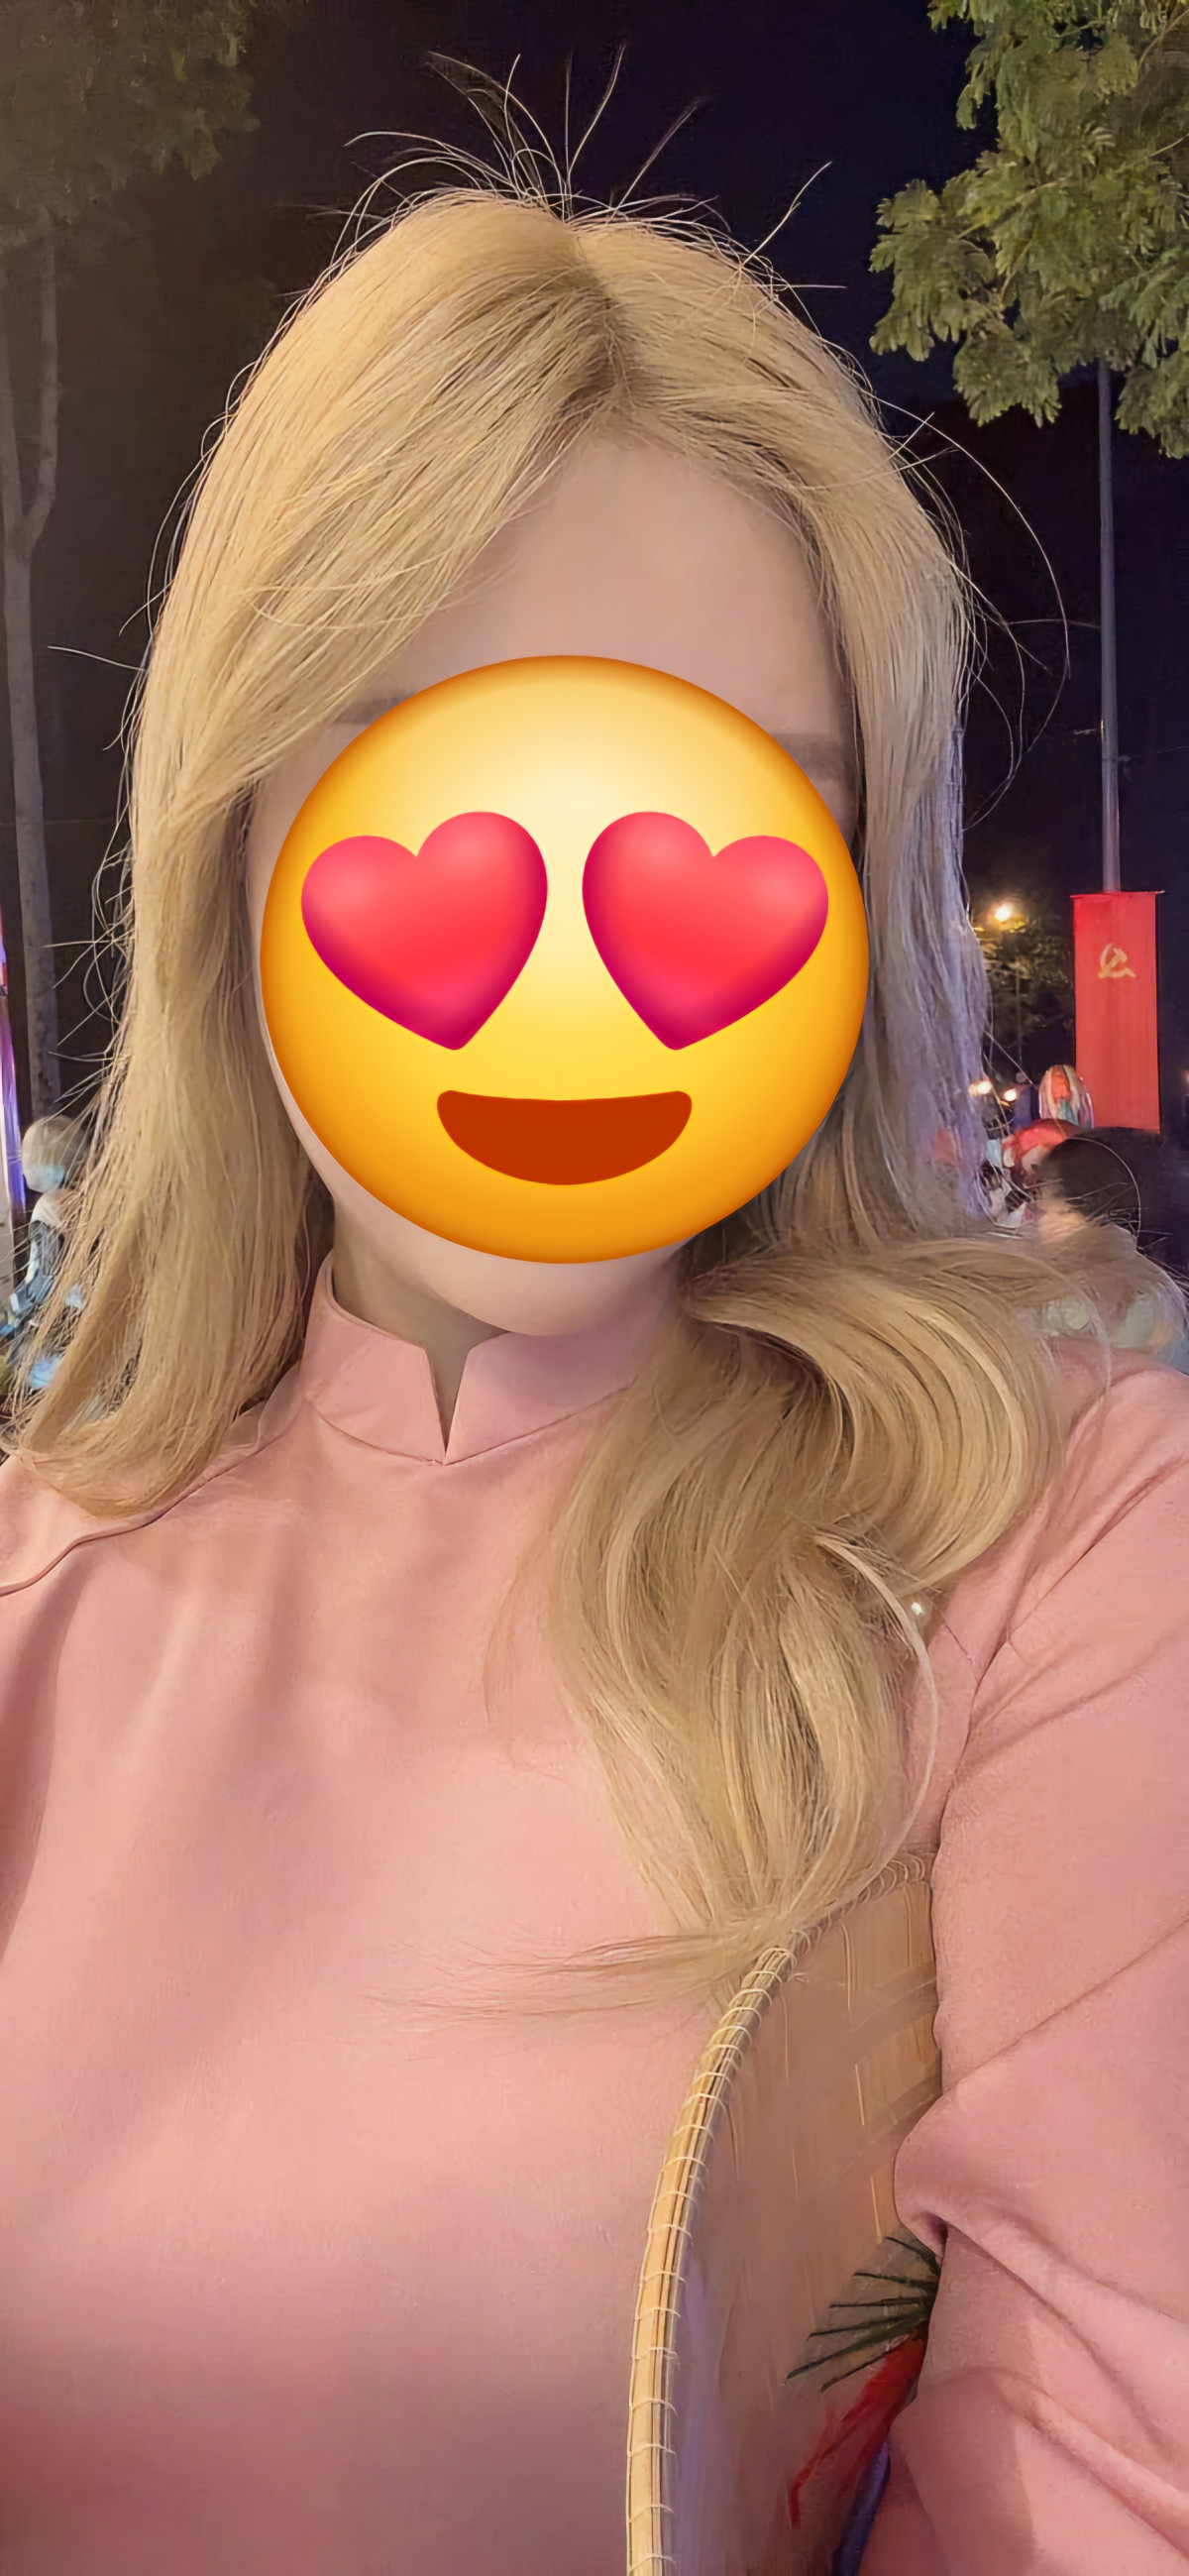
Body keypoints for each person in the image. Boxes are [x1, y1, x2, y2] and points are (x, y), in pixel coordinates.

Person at [0, 176, 1185, 2576]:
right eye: (440, 784)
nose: (573, 980)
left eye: (729, 818)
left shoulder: (1059, 1537)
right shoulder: (44, 1582)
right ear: (240, 822)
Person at [1030, 1125, 1189, 1371]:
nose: (1042, 1223)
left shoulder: (1089, 1303)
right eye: (1042, 1209)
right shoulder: (1162, 1295)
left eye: (1063, 1211)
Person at [1, 1113, 85, 1388]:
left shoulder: (48, 1207)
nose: (21, 1162)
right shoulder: (81, 1200)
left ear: (51, 1163)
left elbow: (40, 1283)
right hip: (89, 1318)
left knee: (23, 1360)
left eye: (27, 1154)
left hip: (65, 1321)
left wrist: (5, 1319)